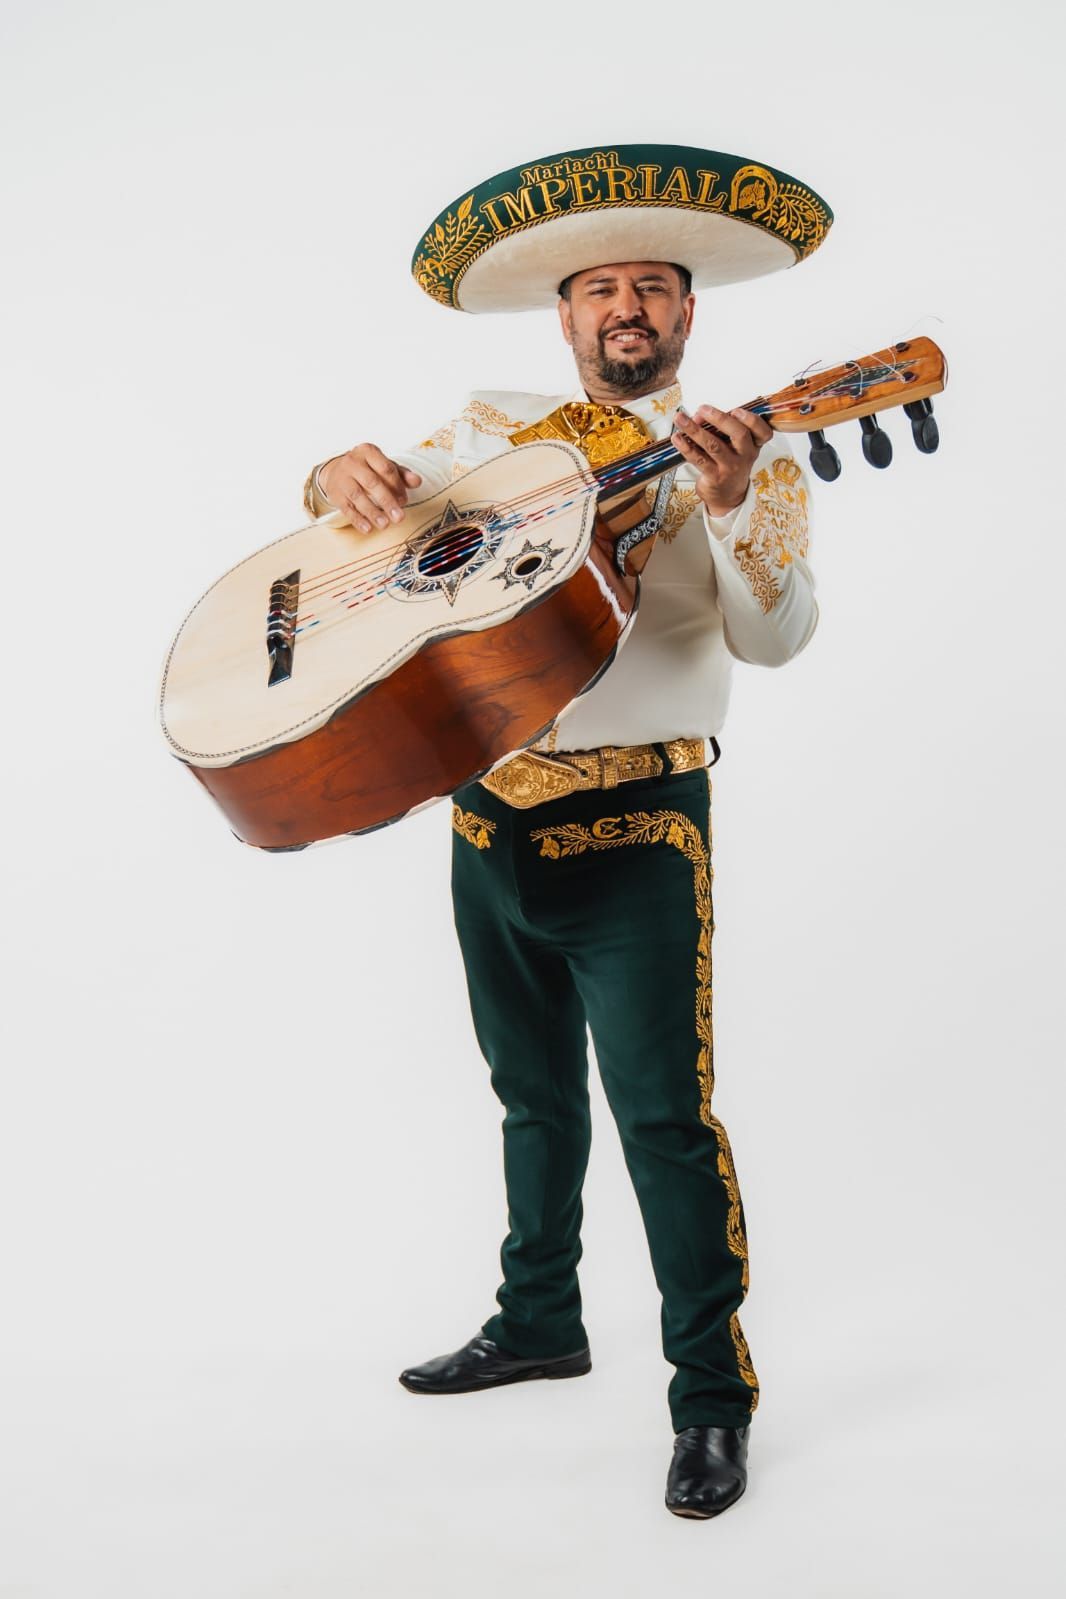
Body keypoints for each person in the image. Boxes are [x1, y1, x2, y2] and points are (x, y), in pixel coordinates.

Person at [301, 145, 831, 1519]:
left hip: (640, 827)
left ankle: (709, 1399)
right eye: (602, 289)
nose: (627, 310)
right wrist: (333, 475)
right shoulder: (488, 434)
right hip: (485, 819)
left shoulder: (749, 465)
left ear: (687, 314)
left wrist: (723, 511)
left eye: (652, 287)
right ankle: (537, 1318)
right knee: (529, 1096)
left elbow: (775, 640)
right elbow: (352, 514)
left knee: (660, 1117)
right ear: (567, 315)